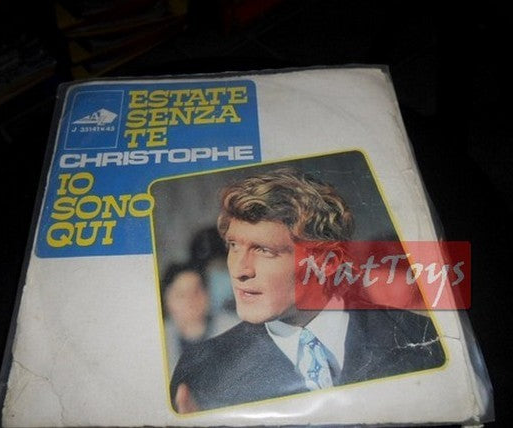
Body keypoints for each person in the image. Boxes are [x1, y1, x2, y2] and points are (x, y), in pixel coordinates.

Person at [170, 167, 445, 413]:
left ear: (328, 262)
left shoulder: (424, 339)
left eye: (264, 250)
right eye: (233, 246)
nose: (240, 270)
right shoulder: (200, 371)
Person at [161, 262, 236, 373]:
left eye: (196, 291)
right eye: (182, 295)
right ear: (167, 301)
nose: (191, 300)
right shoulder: (159, 339)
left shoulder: (234, 327)